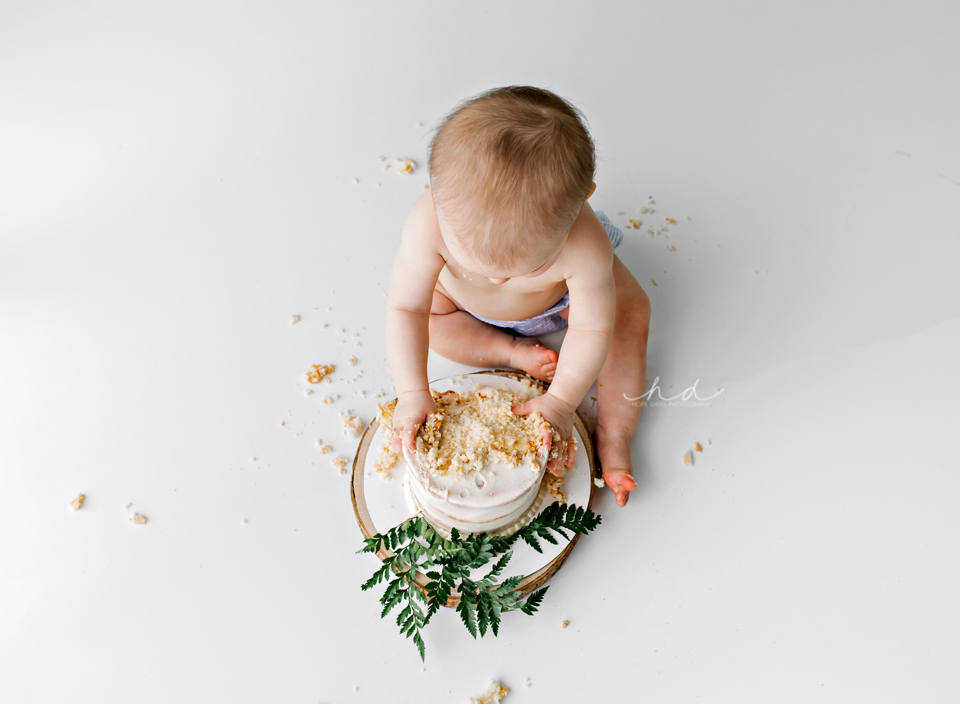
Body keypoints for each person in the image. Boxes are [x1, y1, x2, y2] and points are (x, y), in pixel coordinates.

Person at [384, 86, 650, 507]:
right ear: (436, 192)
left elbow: (590, 325)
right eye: (473, 262)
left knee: (631, 313)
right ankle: (507, 350)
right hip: (463, 308)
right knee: (432, 319)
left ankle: (614, 435)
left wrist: (562, 401)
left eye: (528, 267)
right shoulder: (426, 221)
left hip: (560, 305)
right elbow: (406, 308)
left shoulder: (584, 244)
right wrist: (413, 393)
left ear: (581, 202)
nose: (497, 280)